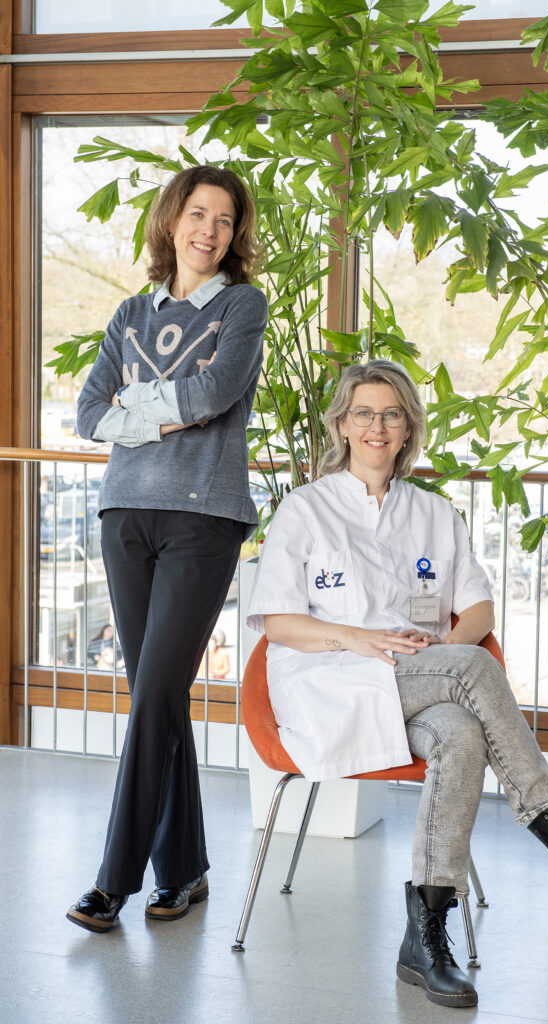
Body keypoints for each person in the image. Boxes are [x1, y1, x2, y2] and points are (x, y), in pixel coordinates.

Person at [246, 359, 548, 1010]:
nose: (377, 426)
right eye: (363, 413)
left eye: (391, 413)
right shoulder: (306, 509)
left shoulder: (433, 514)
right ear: (341, 423)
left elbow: (477, 612)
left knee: (460, 731)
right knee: (473, 672)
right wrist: (360, 640)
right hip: (324, 679)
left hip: (416, 675)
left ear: (408, 425)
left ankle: (427, 935)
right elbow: (278, 621)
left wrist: (440, 654)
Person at [67, 164, 268, 933]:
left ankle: (113, 881)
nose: (209, 230)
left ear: (234, 234)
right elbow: (89, 413)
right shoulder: (130, 312)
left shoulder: (243, 306)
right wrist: (167, 413)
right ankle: (182, 871)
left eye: (224, 219)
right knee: (160, 696)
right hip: (125, 514)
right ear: (172, 221)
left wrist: (138, 406)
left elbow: (217, 394)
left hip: (202, 516)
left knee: (152, 695)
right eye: (197, 214)